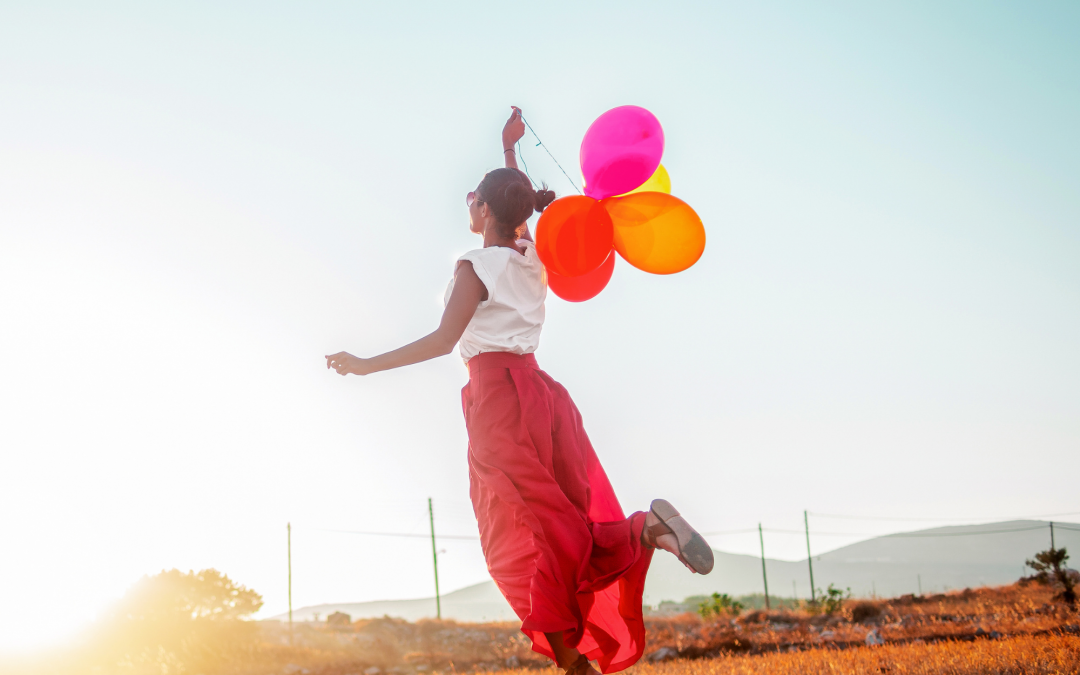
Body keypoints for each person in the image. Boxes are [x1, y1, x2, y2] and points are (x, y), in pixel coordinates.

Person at [325, 107, 713, 675]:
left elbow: (441, 342)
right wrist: (509, 152)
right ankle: (639, 539)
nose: (468, 205)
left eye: (472, 200)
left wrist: (365, 365)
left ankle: (576, 652)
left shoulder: (473, 267)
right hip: (545, 398)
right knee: (559, 523)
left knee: (523, 540)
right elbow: (520, 211)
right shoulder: (532, 254)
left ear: (483, 210)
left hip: (498, 404)